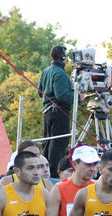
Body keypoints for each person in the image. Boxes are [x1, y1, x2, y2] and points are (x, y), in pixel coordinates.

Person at [38, 45, 75, 178]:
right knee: (58, 143)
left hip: (47, 112)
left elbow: (39, 92)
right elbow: (61, 96)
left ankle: (44, 171)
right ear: (63, 57)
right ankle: (53, 174)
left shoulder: (45, 71)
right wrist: (77, 97)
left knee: (48, 143)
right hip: (59, 112)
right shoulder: (60, 73)